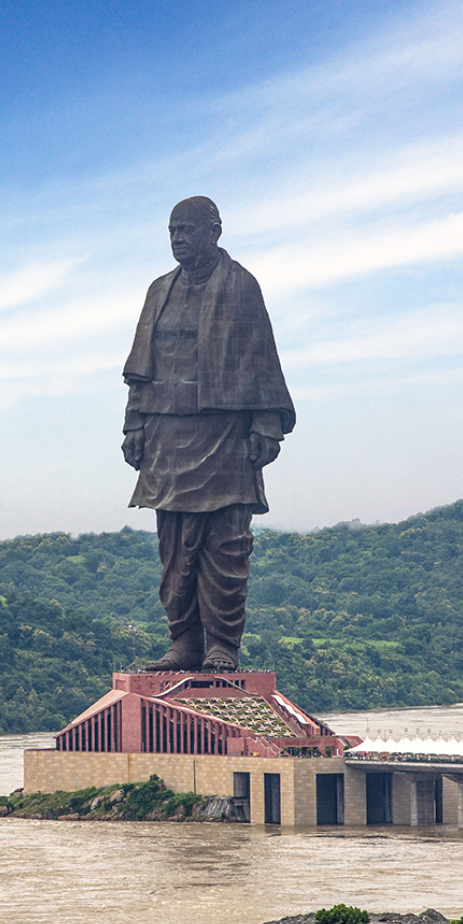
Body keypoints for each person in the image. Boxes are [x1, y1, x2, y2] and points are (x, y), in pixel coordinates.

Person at [122, 196, 294, 672]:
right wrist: (134, 423)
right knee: (174, 545)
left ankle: (222, 643)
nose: (179, 239)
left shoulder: (240, 286)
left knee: (226, 542)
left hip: (224, 434)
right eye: (173, 231)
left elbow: (262, 357)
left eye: (188, 230)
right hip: (166, 433)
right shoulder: (159, 290)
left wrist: (266, 422)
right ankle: (184, 642)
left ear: (214, 232)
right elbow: (141, 367)